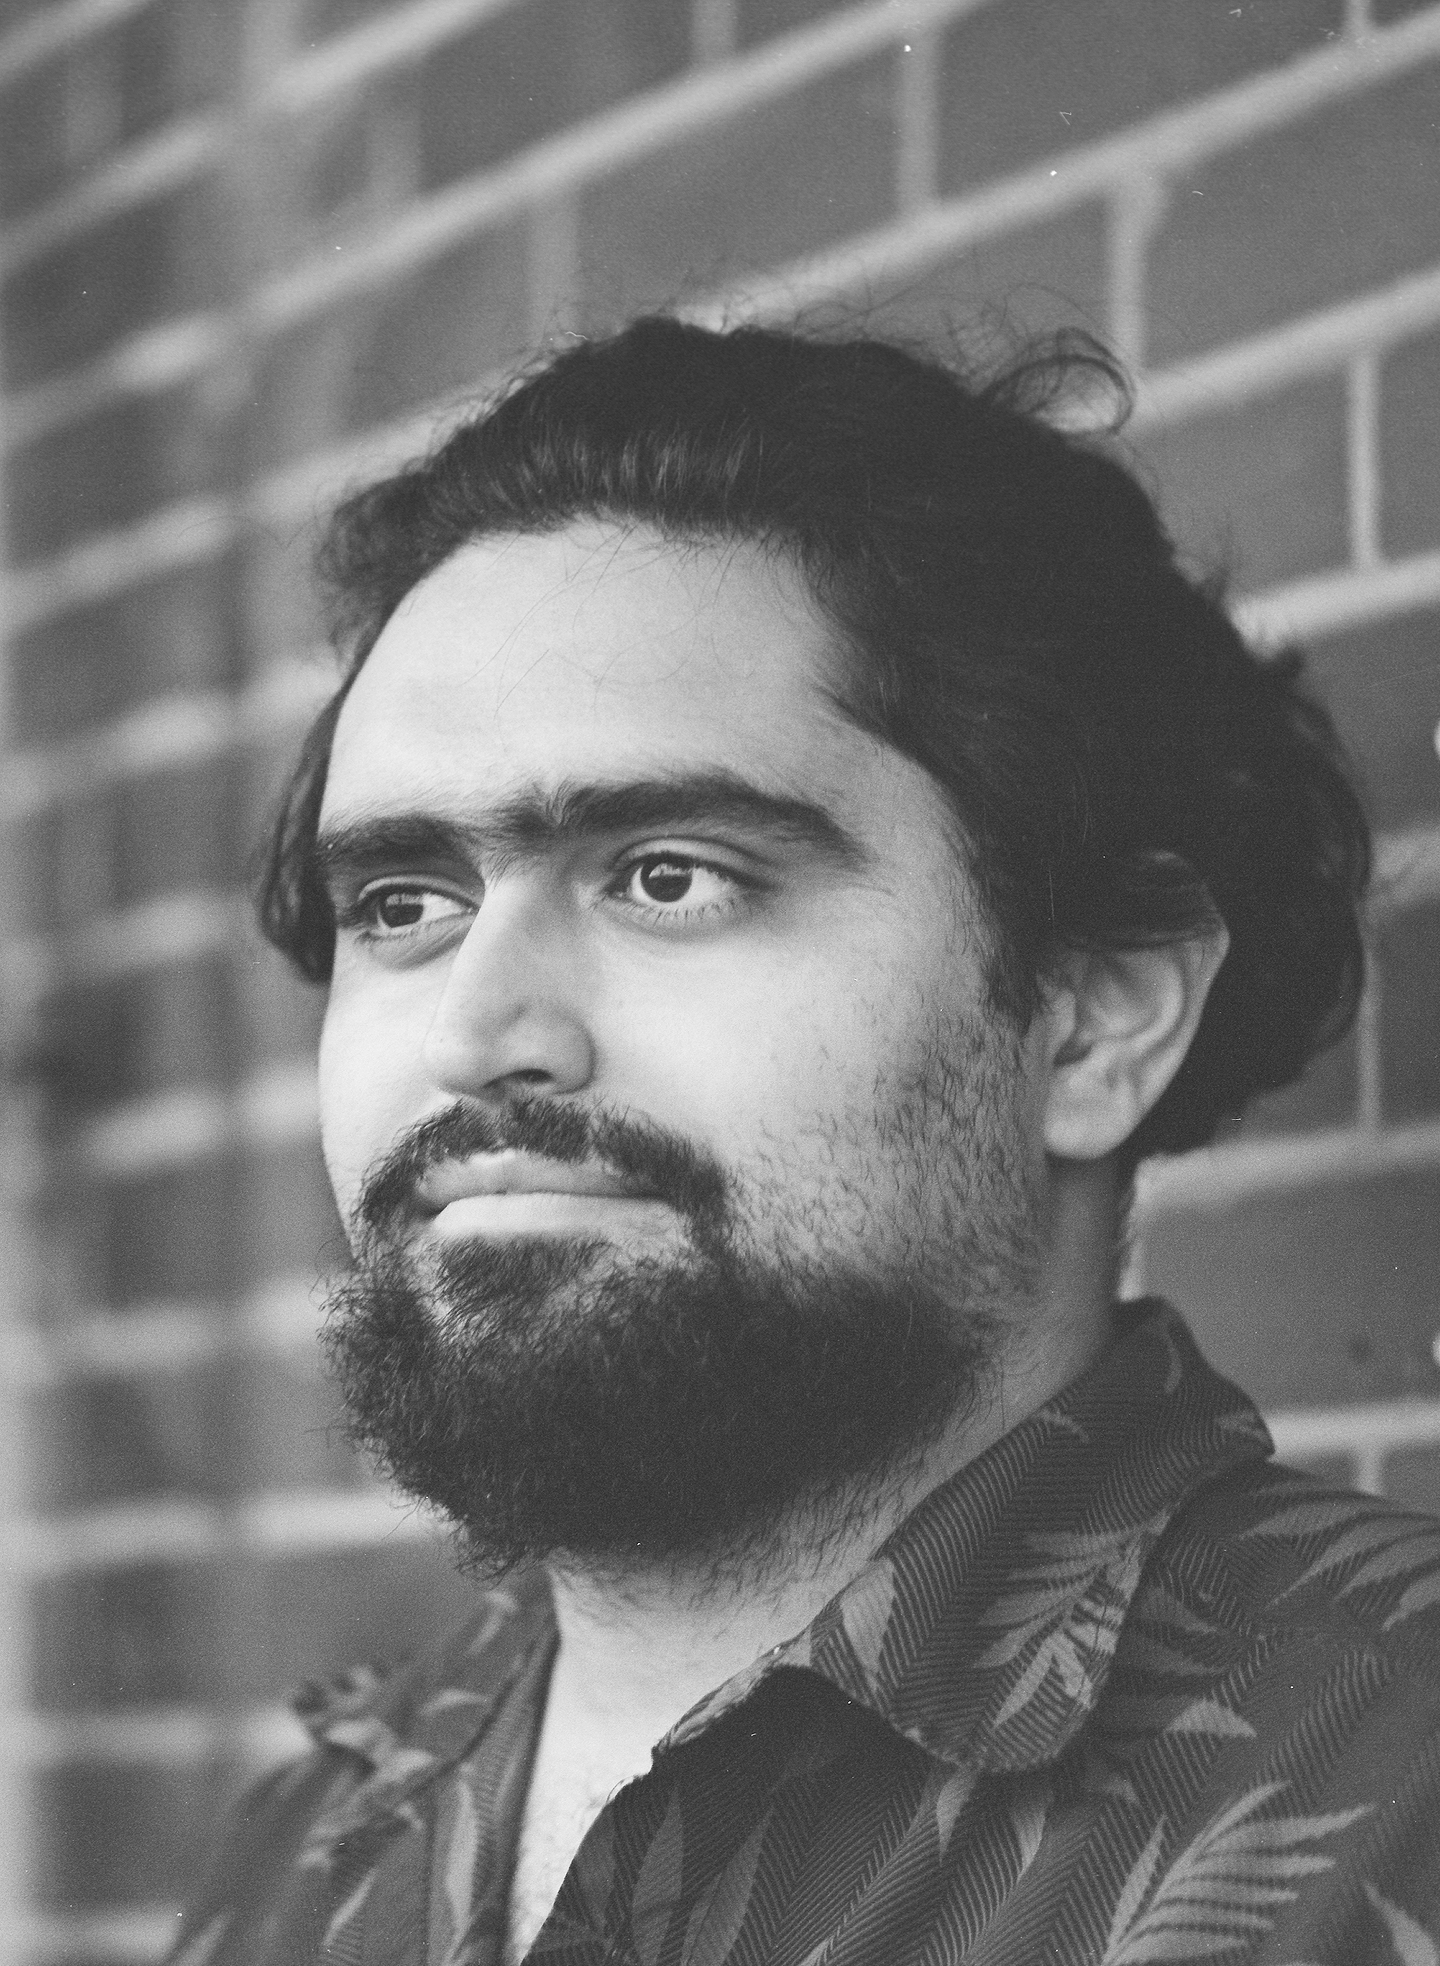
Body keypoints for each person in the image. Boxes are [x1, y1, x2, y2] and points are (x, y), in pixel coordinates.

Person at [172, 317, 1440, 1966]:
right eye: (404, 904)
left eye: (670, 873)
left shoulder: (1395, 1766)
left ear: (1095, 1017)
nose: (476, 1033)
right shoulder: (316, 1835)